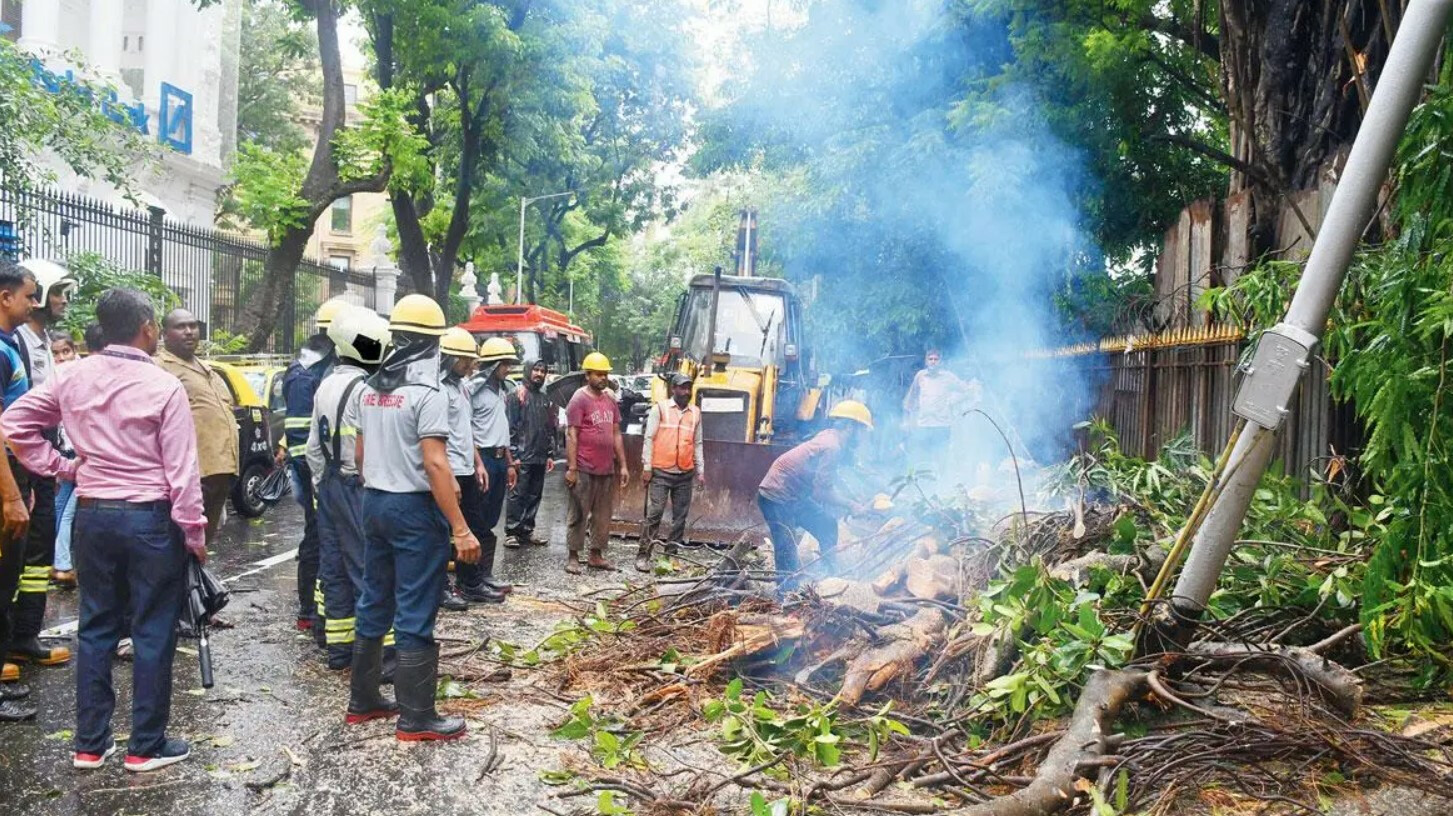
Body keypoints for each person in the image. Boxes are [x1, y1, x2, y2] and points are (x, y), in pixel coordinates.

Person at [4, 287, 207, 771]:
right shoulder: (164, 386)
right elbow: (182, 472)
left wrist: (64, 466)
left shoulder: (71, 375)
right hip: (151, 519)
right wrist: (195, 537)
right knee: (152, 630)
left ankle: (90, 744)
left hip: (94, 515)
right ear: (147, 329)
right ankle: (146, 745)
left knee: (96, 627)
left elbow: (13, 423)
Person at [349, 294, 480, 741]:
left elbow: (361, 454)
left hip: (375, 502)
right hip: (413, 511)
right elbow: (436, 464)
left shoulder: (370, 389)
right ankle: (417, 717)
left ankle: (363, 700)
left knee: (374, 600)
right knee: (415, 608)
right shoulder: (428, 394)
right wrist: (460, 526)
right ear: (432, 344)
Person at [306, 306, 390, 671]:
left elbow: (312, 447)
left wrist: (319, 487)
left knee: (334, 567)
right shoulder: (366, 389)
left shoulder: (326, 384)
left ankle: (339, 650)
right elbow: (368, 448)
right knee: (368, 568)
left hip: (328, 486)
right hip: (357, 485)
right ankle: (381, 657)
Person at [7, 259, 77, 669]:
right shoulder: (14, 343)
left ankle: (25, 634)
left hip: (42, 456)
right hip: (18, 455)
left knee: (38, 551)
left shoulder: (43, 340)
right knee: (15, 550)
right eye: (54, 293)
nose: (60, 301)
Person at [278, 298, 348, 634]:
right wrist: (317, 478)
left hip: (322, 468)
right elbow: (300, 434)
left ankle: (320, 606)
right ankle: (309, 608)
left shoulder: (325, 363)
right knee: (317, 535)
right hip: (313, 470)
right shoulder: (306, 372)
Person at [755, 400, 874, 589]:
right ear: (851, 427)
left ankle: (829, 577)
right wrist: (851, 504)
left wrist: (852, 497)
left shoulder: (829, 437)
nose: (862, 437)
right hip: (776, 496)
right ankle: (785, 597)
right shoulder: (832, 447)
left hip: (794, 496)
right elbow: (821, 491)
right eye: (861, 430)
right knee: (787, 548)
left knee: (826, 524)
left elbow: (828, 479)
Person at [156, 309, 238, 552]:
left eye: (193, 326)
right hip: (192, 473)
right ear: (164, 334)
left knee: (202, 542)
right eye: (181, 327)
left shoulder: (205, 367)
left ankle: (191, 582)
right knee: (181, 543)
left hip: (219, 469)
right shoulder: (161, 366)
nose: (189, 331)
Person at [0, 259, 36, 721]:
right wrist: (9, 494)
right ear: (5, 296)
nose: (34, 302)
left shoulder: (11, 345)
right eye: (29, 295)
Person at [457, 337, 518, 599]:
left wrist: (510, 462)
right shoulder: (473, 390)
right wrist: (477, 462)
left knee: (491, 518)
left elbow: (500, 430)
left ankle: (484, 575)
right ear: (493, 365)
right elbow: (466, 430)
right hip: (480, 458)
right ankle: (471, 580)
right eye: (504, 363)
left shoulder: (502, 391)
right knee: (477, 520)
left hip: (498, 458)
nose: (508, 368)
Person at [437, 328, 492, 609]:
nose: (471, 365)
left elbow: (464, 431)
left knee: (471, 527)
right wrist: (449, 478)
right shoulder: (437, 390)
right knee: (443, 534)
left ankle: (470, 583)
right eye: (465, 359)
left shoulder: (461, 388)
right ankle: (441, 588)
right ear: (449, 357)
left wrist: (478, 463)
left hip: (466, 469)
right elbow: (436, 440)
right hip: (449, 472)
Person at [563, 352, 629, 574]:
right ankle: (573, 556)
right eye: (599, 374)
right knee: (579, 512)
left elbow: (616, 433)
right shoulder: (578, 399)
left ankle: (596, 554)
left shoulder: (610, 400)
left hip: (606, 468)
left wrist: (623, 465)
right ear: (587, 375)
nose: (603, 378)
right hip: (583, 467)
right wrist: (572, 468)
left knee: (602, 514)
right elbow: (572, 435)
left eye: (605, 374)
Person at [634, 373, 705, 572]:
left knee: (680, 517)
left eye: (688, 388)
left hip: (684, 473)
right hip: (661, 471)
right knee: (654, 514)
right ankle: (643, 555)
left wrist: (701, 470)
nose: (686, 392)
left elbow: (697, 443)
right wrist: (647, 467)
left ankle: (670, 556)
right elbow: (649, 439)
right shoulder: (660, 409)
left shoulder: (696, 413)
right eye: (682, 388)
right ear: (673, 388)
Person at [504, 359, 555, 549]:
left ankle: (527, 529)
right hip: (522, 455)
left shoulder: (543, 397)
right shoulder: (516, 395)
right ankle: (512, 531)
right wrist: (514, 455)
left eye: (543, 370)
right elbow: (510, 427)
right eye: (536, 369)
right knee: (517, 494)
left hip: (540, 455)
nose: (539, 374)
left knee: (535, 494)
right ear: (528, 370)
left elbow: (548, 427)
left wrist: (549, 453)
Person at [901, 348, 977, 469]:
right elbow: (911, 398)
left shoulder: (948, 377)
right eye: (930, 359)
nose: (933, 362)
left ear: (940, 362)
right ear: (926, 361)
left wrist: (954, 401)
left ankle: (941, 484)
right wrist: (906, 421)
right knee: (922, 458)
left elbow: (966, 390)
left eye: (936, 359)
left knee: (941, 458)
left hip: (942, 425)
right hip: (923, 424)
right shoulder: (920, 376)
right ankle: (925, 484)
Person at [49, 332, 78, 588]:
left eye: (65, 352)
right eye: (55, 353)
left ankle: (62, 565)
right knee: (58, 509)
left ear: (74, 350)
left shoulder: (80, 377)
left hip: (82, 458)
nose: (60, 358)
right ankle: (57, 564)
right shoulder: (54, 380)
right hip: (64, 458)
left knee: (67, 513)